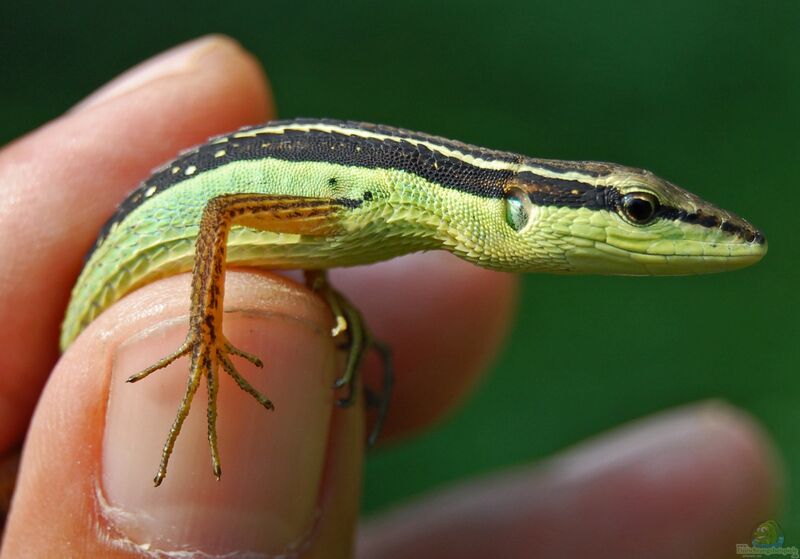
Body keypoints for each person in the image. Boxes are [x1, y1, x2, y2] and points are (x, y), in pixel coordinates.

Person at [0, 35, 778, 558]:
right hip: (91, 298)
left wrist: (320, 283)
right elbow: (220, 210)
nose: (659, 227)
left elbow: (273, 237)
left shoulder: (388, 209)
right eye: (639, 213)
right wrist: (204, 334)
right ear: (519, 206)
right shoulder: (372, 194)